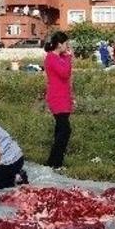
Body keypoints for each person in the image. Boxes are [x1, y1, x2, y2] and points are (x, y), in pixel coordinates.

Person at [43, 32, 73, 169]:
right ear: (59, 44)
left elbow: (66, 78)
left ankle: (53, 162)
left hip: (64, 97)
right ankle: (56, 162)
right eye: (66, 44)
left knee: (60, 130)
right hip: (57, 98)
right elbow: (65, 73)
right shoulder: (51, 58)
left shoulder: (60, 57)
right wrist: (68, 58)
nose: (68, 47)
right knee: (65, 130)